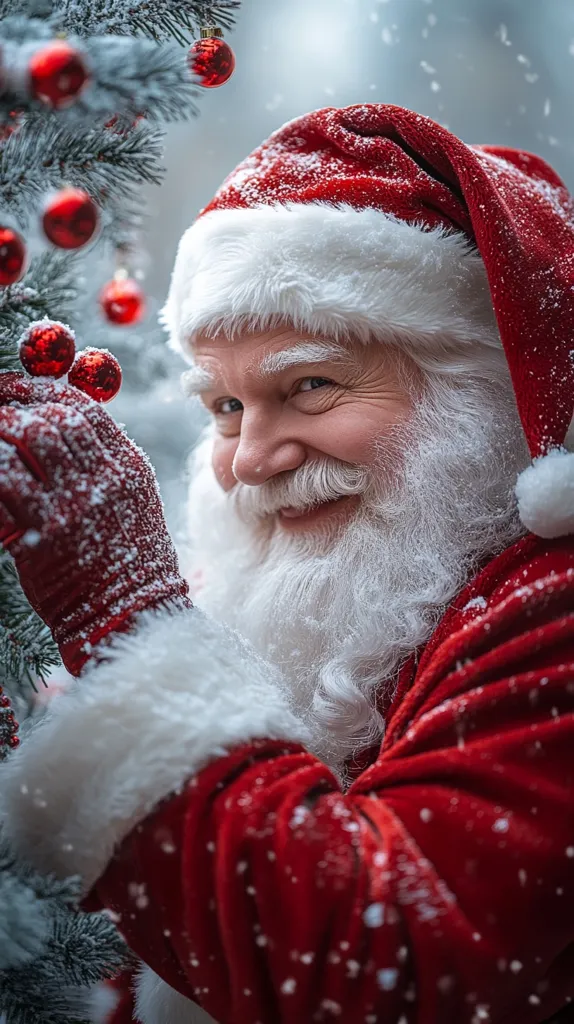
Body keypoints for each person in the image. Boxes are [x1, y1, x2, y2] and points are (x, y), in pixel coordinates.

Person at [0, 103, 573, 1024]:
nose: (252, 460)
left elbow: (381, 967)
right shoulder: (371, 593)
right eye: (225, 407)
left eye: (309, 384)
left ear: (480, 393)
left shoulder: (552, 606)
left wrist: (132, 618)